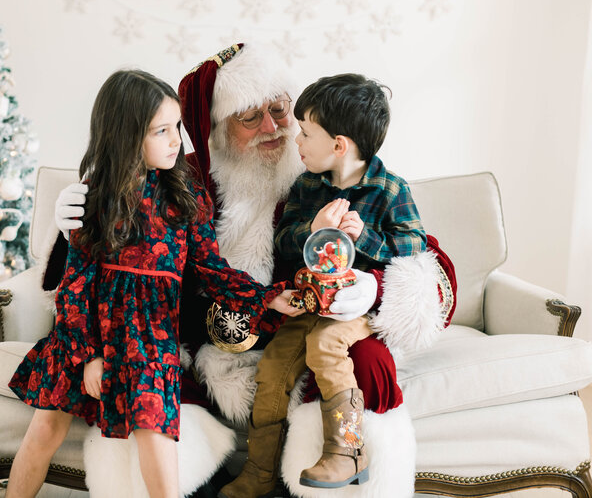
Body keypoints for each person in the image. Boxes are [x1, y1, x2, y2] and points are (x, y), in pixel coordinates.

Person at [51, 44, 456, 498]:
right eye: (248, 117)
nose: (273, 128)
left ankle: (345, 467)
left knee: (365, 363)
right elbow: (105, 260)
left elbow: (427, 262)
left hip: (311, 334)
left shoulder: (331, 177)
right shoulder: (182, 179)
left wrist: (374, 288)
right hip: (206, 350)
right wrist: (76, 219)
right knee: (151, 387)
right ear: (219, 130)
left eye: (280, 110)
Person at [6, 69, 302, 498]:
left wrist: (268, 300)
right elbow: (75, 290)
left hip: (150, 340)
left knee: (156, 436)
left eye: (176, 128)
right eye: (160, 131)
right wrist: (89, 356)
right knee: (45, 427)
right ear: (126, 137)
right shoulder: (95, 200)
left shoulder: (187, 196)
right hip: (89, 335)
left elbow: (213, 271)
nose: (175, 141)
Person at [225, 73, 427, 492]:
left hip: (356, 310)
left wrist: (365, 238)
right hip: (308, 302)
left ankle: (348, 450)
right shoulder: (307, 186)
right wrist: (312, 229)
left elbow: (412, 252)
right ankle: (259, 472)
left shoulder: (390, 190)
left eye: (305, 133)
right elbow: (282, 243)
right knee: (274, 366)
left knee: (326, 345)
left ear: (339, 145)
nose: (296, 141)